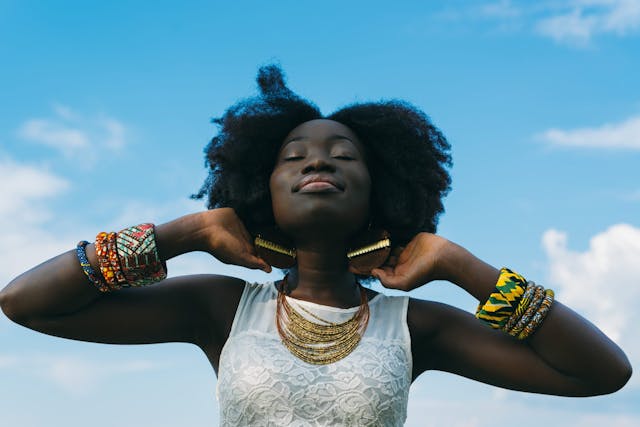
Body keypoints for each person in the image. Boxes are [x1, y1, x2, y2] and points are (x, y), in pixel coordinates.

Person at [0, 65, 632, 426]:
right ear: (260, 189)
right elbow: (27, 302)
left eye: (342, 154)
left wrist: (463, 268)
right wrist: (183, 233)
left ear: (380, 190)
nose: (316, 163)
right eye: (292, 156)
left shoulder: (413, 327)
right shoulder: (223, 310)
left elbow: (602, 374)